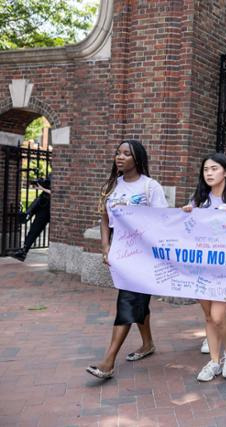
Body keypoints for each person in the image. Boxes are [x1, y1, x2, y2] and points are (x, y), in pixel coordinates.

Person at [86, 140, 168, 379]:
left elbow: (161, 220)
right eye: (118, 153)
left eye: (126, 154)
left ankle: (108, 362)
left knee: (127, 302)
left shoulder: (150, 187)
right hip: (122, 256)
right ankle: (148, 344)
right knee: (137, 303)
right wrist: (105, 246)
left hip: (144, 257)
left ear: (137, 159)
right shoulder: (112, 185)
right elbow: (104, 218)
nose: (119, 157)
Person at [182, 153, 226, 381]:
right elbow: (185, 231)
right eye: (206, 169)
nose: (209, 173)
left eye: (214, 169)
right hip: (202, 269)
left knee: (219, 317)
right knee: (209, 317)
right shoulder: (198, 200)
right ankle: (213, 361)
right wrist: (186, 216)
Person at [12, 176, 51, 262]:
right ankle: (23, 251)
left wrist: (42, 188)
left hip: (53, 209)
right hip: (43, 206)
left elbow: (58, 194)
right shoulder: (51, 173)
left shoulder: (61, 175)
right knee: (34, 229)